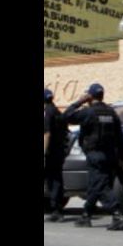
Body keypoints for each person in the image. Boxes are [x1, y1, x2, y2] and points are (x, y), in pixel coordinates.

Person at [63, 83, 123, 230]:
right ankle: (86, 215)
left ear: (90, 96)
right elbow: (120, 137)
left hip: (95, 154)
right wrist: (122, 156)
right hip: (110, 155)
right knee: (94, 185)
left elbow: (66, 116)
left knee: (101, 185)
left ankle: (117, 214)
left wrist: (79, 102)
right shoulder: (111, 112)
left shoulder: (89, 112)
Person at [44, 88, 67, 222]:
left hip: (51, 151)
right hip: (59, 151)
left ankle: (56, 210)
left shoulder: (48, 112)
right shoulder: (57, 111)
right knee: (57, 179)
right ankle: (57, 208)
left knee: (53, 180)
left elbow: (47, 133)